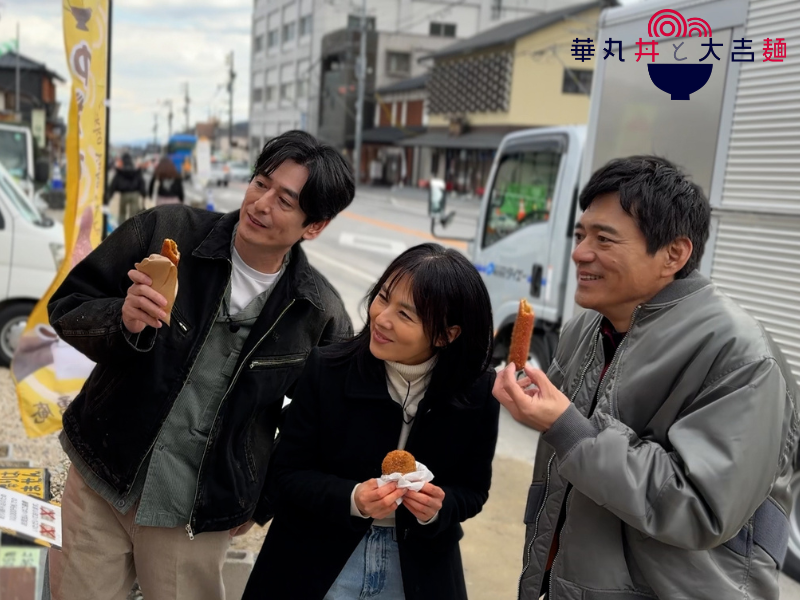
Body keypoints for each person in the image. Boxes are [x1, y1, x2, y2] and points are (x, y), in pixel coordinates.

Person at [47, 130, 356, 600]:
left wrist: (261, 496)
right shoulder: (165, 230)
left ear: (314, 226)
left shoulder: (317, 311)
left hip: (195, 512)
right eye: (260, 182)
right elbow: (69, 304)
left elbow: (325, 419)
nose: (260, 203)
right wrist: (121, 319)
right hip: (100, 479)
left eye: (285, 200)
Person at [493, 156, 800, 600]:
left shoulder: (740, 356)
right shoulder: (585, 328)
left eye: (604, 239)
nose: (580, 252)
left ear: (674, 254)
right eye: (580, 235)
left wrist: (567, 428)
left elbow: (700, 507)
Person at [243, 243, 500, 600]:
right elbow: (287, 474)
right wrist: (353, 498)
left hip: (417, 565)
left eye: (406, 315)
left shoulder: (479, 392)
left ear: (446, 335)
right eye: (383, 296)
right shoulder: (328, 370)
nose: (381, 317)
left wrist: (436, 509)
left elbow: (473, 490)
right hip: (315, 554)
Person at [106, 153, 147, 223]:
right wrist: (143, 193)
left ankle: (122, 228)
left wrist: (109, 195)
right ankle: (133, 229)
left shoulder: (120, 171)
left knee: (122, 213)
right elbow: (141, 182)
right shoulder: (136, 171)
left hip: (124, 194)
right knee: (133, 214)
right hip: (135, 194)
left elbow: (114, 183)